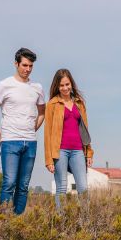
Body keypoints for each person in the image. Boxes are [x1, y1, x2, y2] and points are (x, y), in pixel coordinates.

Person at [0, 48, 46, 215]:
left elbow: (42, 112)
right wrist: (0, 135)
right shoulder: (5, 85)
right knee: (9, 182)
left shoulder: (37, 87)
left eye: (30, 66)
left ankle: (17, 222)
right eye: (24, 65)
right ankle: (3, 223)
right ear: (16, 63)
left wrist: (33, 129)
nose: (27, 69)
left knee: (24, 185)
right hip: (10, 141)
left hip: (30, 142)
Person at [44, 68, 94, 211]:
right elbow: (47, 133)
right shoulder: (52, 104)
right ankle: (61, 222)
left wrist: (89, 152)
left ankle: (86, 222)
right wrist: (48, 160)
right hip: (60, 151)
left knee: (83, 188)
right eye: (61, 85)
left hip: (78, 150)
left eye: (67, 84)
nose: (65, 88)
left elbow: (85, 129)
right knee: (61, 187)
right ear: (57, 87)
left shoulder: (79, 103)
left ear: (71, 84)